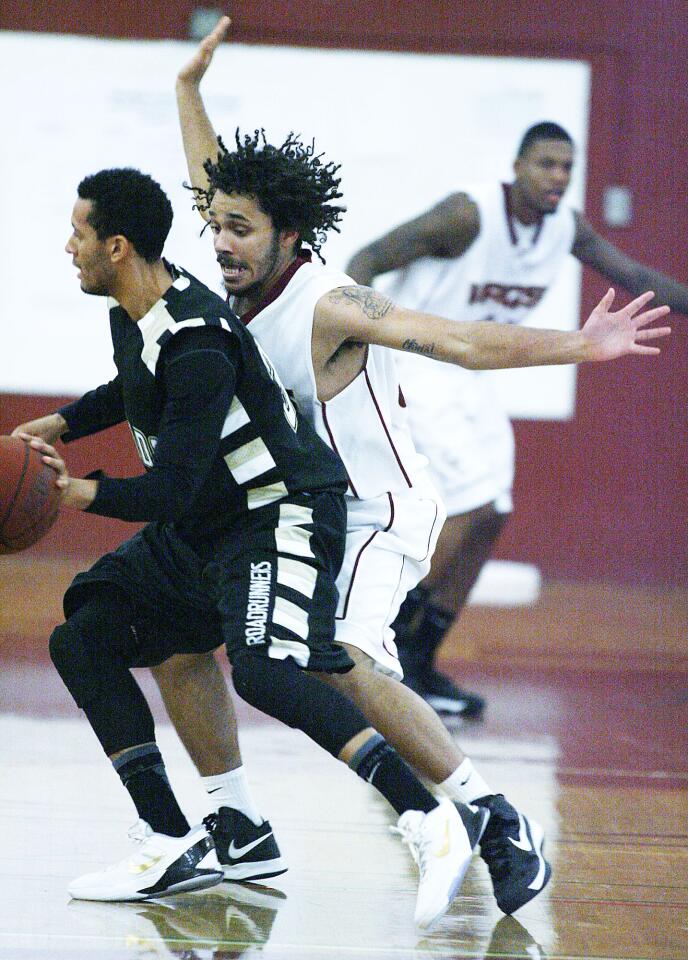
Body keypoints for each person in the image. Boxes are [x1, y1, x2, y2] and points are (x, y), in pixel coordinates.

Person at [149, 15, 669, 919]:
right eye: (216, 223)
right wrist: (189, 93)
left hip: (377, 509)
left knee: (342, 656)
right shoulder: (240, 263)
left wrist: (583, 346)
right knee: (177, 623)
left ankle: (490, 815)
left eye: (235, 225)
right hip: (297, 509)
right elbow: (210, 181)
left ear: (284, 231)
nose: (218, 237)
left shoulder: (331, 301)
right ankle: (229, 827)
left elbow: (460, 340)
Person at [15, 166, 492, 931]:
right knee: (84, 637)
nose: (66, 247)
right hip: (209, 523)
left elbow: (167, 491)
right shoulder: (135, 309)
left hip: (279, 515)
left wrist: (71, 492)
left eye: (78, 234)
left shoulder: (199, 342)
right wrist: (60, 425)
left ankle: (427, 817)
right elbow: (133, 387)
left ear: (116, 246)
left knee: (265, 671)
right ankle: (176, 835)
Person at [346, 120, 688, 718]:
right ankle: (383, 647)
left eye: (566, 166)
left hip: (473, 375)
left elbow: (636, 278)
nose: (557, 176)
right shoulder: (467, 214)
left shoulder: (564, 227)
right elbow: (368, 258)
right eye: (545, 164)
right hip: (415, 362)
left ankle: (421, 660)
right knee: (467, 505)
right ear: (518, 166)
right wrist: (352, 344)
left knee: (492, 516)